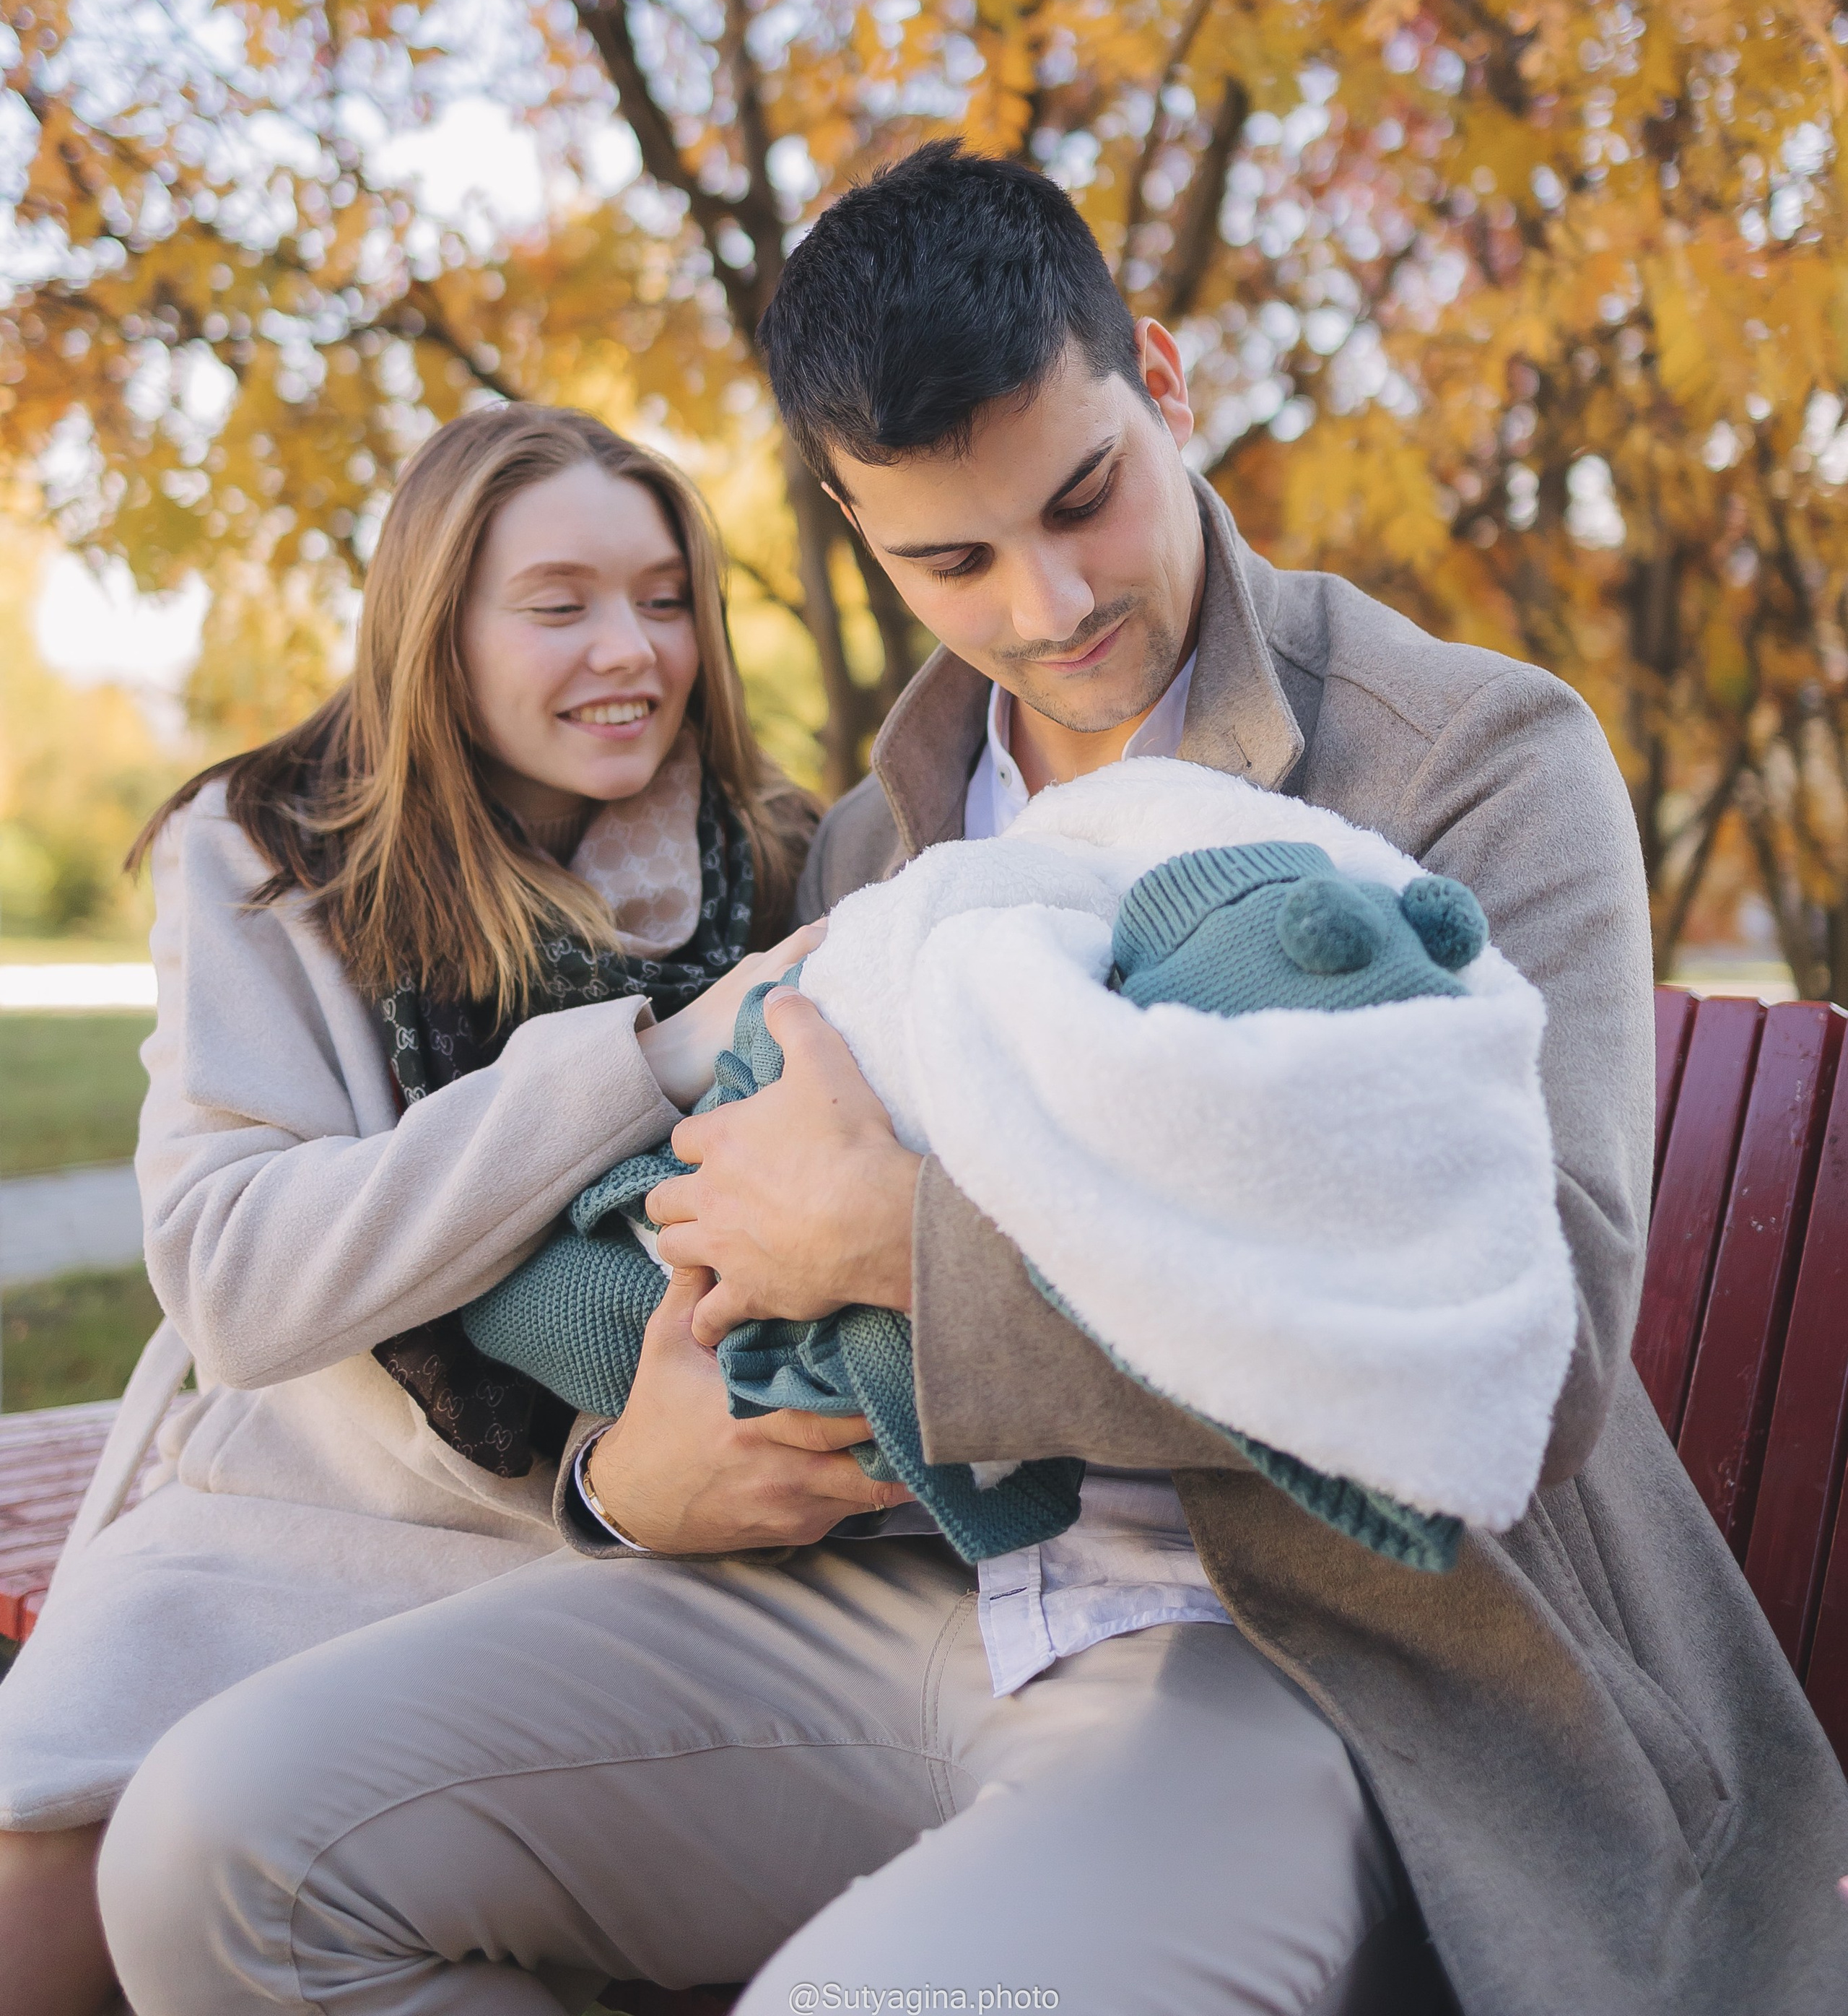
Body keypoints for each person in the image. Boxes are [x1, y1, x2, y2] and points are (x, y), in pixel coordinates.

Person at [97, 152, 1848, 2015]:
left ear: (1160, 384)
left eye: (1083, 496)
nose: (1050, 602)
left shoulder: (1465, 762)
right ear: (859, 533)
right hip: (912, 1589)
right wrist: (630, 1486)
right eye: (951, 558)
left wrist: (896, 1245)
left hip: (1312, 1644)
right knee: (221, 1847)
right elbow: (710, 1261)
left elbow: (1534, 1367)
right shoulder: (870, 842)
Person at [0, 403, 822, 2016]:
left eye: (664, 599)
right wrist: (641, 1061)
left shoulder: (781, 861)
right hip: (295, 1515)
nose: (632, 650)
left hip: (629, 1549)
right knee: (37, 1892)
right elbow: (238, 1279)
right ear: (436, 629)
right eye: (559, 601)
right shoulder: (272, 855)